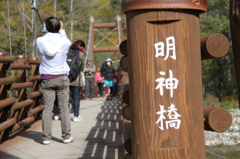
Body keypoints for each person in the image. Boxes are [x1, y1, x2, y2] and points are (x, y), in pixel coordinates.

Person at [36, 17, 73, 145]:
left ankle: (46, 138)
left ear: (46, 27)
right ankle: (66, 137)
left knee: (47, 109)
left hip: (47, 78)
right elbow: (66, 40)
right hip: (62, 77)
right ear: (59, 27)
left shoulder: (40, 40)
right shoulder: (65, 42)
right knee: (64, 108)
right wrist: (61, 30)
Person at [69, 40, 85, 122]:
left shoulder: (67, 52)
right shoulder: (81, 54)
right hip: (76, 79)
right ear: (81, 47)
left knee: (66, 98)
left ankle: (64, 115)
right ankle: (76, 116)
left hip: (66, 78)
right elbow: (82, 67)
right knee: (76, 98)